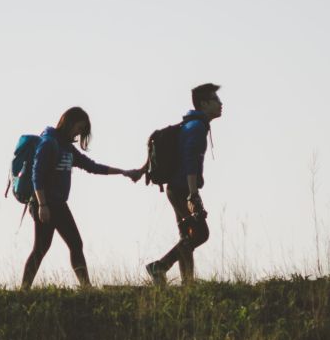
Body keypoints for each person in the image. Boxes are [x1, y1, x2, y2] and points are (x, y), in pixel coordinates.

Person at [23, 106, 140, 290]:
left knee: (75, 244)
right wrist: (42, 205)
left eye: (82, 130)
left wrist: (123, 172)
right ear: (69, 123)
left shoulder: (67, 148)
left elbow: (91, 166)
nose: (79, 133)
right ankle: (24, 290)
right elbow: (36, 175)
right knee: (41, 248)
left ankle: (86, 287)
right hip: (44, 204)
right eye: (79, 127)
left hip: (59, 205)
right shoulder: (49, 143)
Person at [146, 83, 223, 285]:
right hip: (182, 189)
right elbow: (190, 160)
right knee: (200, 233)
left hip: (176, 188)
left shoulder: (191, 125)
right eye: (216, 100)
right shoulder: (197, 127)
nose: (221, 103)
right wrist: (192, 194)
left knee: (186, 235)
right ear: (204, 104)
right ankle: (160, 266)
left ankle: (187, 282)